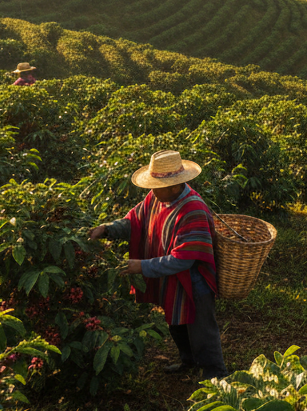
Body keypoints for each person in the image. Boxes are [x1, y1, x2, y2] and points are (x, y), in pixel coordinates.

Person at [88, 150, 227, 378]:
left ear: (174, 186)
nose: (151, 190)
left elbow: (185, 258)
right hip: (171, 278)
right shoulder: (156, 198)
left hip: (195, 282)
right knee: (176, 322)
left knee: (201, 329)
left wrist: (141, 266)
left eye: (157, 186)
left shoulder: (194, 210)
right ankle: (188, 362)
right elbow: (134, 221)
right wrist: (107, 229)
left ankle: (216, 374)